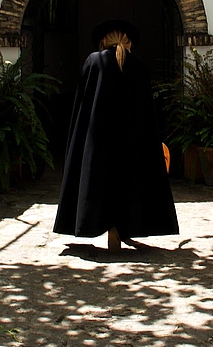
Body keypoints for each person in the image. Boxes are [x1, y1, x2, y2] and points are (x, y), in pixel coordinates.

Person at [53, 19, 179, 251]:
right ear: (129, 42)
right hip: (132, 141)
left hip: (98, 139)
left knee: (100, 183)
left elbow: (83, 104)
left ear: (103, 41)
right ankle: (123, 227)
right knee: (129, 183)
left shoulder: (93, 62)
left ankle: (108, 227)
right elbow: (146, 110)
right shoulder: (139, 66)